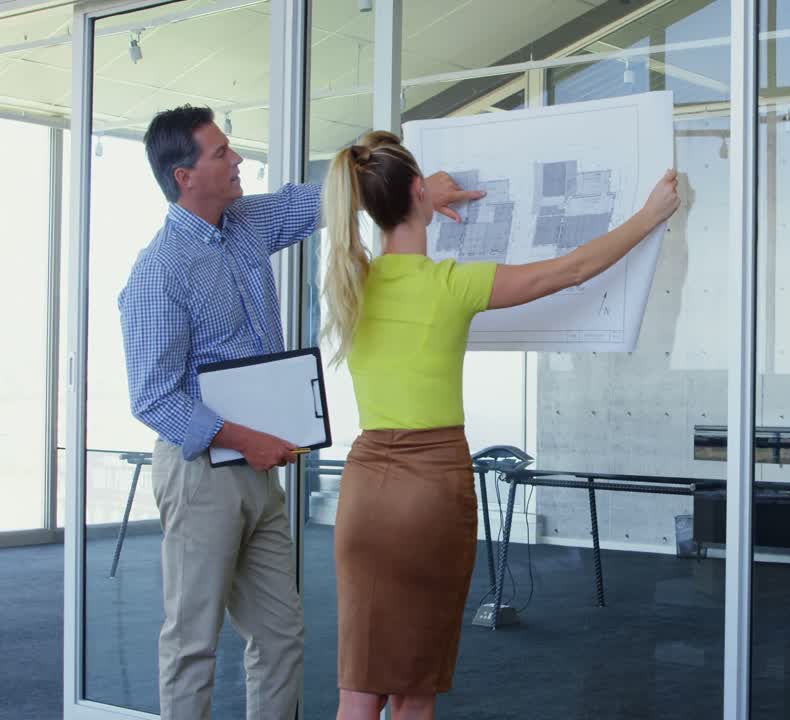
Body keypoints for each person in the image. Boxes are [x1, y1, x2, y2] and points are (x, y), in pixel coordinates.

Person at [117, 106, 480, 719]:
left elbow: (329, 197)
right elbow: (152, 397)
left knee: (281, 639)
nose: (236, 161)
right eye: (220, 154)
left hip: (261, 470)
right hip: (203, 473)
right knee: (192, 645)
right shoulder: (159, 272)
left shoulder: (247, 222)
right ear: (184, 176)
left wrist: (419, 192)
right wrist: (241, 438)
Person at [322, 130, 680, 720]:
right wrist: (648, 216)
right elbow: (572, 270)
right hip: (429, 493)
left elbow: (378, 205)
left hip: (362, 497)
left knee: (358, 692)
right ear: (418, 192)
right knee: (413, 689)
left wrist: (411, 197)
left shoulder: (349, 283)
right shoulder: (451, 285)